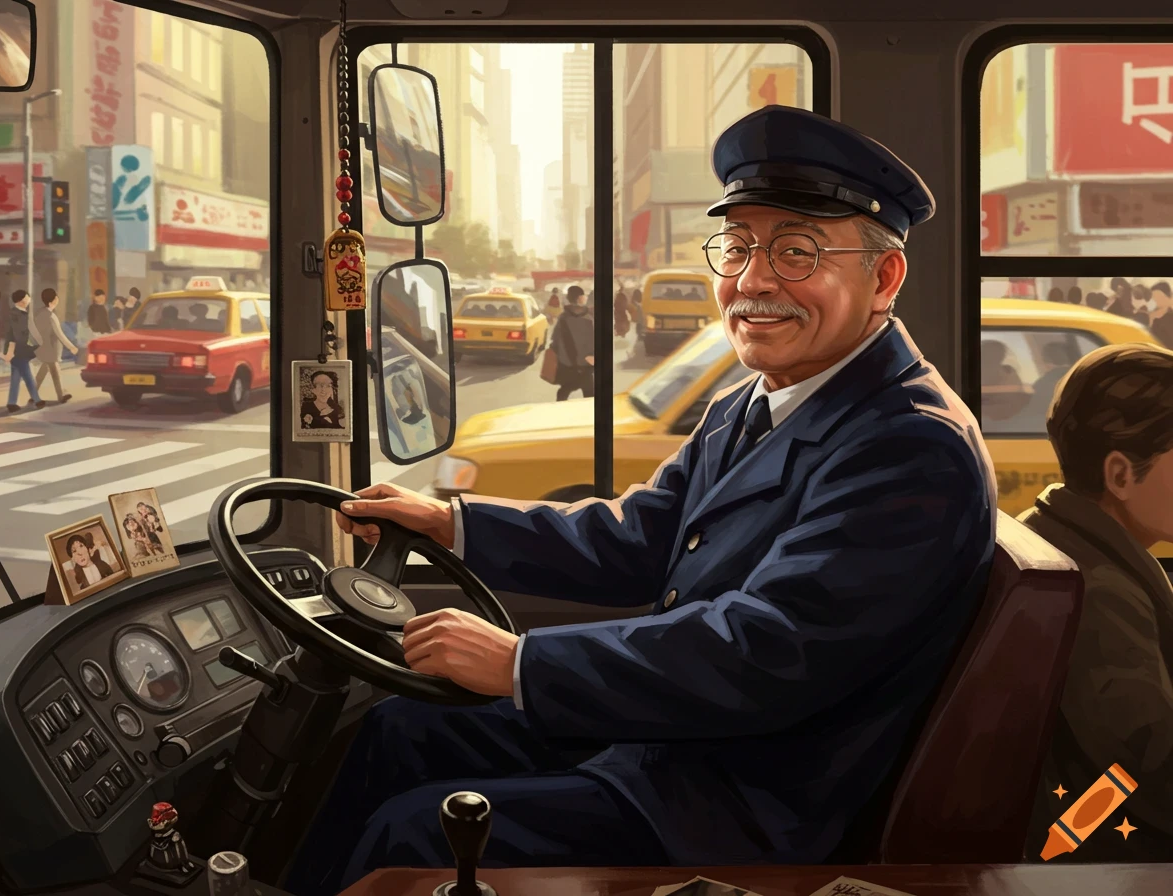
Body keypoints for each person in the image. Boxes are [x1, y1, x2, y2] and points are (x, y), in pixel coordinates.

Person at [287, 106, 996, 895]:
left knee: (414, 827)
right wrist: (453, 524)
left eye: (797, 252)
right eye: (736, 248)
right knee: (396, 730)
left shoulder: (910, 445)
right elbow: (641, 536)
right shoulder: (753, 400)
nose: (754, 282)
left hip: (739, 799)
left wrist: (520, 661)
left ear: (883, 278)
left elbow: (764, 650)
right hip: (672, 739)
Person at [1019, 344, 1173, 862]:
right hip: (1098, 853)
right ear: (1121, 475)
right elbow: (1154, 766)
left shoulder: (1052, 533)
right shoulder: (1102, 593)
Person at [1, 289, 45, 412]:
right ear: (21, 301)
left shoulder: (17, 313)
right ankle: (37, 400)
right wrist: (27, 348)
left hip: (16, 349)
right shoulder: (17, 315)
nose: (29, 299)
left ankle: (11, 402)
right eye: (27, 297)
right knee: (27, 374)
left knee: (16, 376)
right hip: (18, 349)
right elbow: (16, 335)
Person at [33, 288, 78, 403]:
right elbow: (60, 334)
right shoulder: (51, 316)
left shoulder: (39, 313)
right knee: (55, 372)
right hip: (51, 349)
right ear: (52, 301)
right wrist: (71, 347)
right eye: (56, 297)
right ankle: (61, 395)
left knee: (43, 371)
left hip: (43, 347)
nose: (58, 299)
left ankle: (33, 393)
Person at [550, 285, 594, 401]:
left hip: (568, 363)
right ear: (580, 298)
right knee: (590, 394)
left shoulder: (563, 318)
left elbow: (555, 340)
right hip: (587, 363)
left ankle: (561, 414)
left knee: (564, 391)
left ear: (569, 298)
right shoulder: (590, 317)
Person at [1149, 281, 1173, 348]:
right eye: (1154, 297)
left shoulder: (1168, 318)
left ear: (1168, 296)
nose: (1156, 300)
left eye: (1158, 296)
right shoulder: (1153, 317)